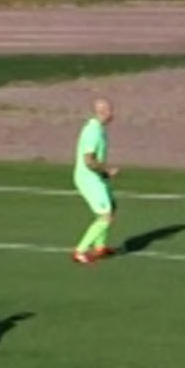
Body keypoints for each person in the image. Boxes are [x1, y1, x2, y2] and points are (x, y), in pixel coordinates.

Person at [73, 98, 118, 265]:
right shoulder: (93, 132)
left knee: (111, 207)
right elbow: (89, 160)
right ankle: (80, 251)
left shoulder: (99, 129)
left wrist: (104, 174)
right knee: (106, 216)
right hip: (88, 179)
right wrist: (107, 170)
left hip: (97, 176)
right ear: (103, 112)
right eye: (111, 110)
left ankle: (100, 247)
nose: (113, 114)